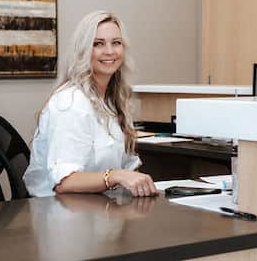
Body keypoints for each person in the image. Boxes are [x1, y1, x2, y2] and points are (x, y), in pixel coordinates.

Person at [23, 10, 158, 197]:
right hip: (61, 214)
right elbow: (65, 182)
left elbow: (124, 167)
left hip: (97, 208)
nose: (109, 51)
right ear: (84, 50)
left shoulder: (111, 100)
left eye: (116, 43)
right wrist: (115, 176)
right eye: (98, 44)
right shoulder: (71, 103)